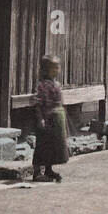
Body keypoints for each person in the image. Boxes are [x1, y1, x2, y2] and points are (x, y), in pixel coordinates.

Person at [33, 53, 69, 183]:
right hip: (46, 119)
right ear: (46, 69)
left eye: (58, 67)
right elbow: (38, 104)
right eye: (54, 68)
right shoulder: (42, 85)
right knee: (42, 146)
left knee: (52, 147)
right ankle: (37, 173)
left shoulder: (57, 84)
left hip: (56, 120)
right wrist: (40, 119)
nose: (57, 70)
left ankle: (49, 169)